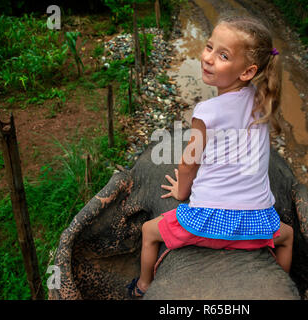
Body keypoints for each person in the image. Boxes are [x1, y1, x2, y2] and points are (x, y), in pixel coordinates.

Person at [126, 15, 294, 299]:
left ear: (247, 71)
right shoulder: (262, 101)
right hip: (256, 225)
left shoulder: (206, 111)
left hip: (207, 222)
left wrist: (181, 190)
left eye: (223, 55)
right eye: (209, 47)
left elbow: (188, 163)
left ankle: (142, 286)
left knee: (148, 231)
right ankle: (282, 277)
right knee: (288, 237)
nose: (208, 58)